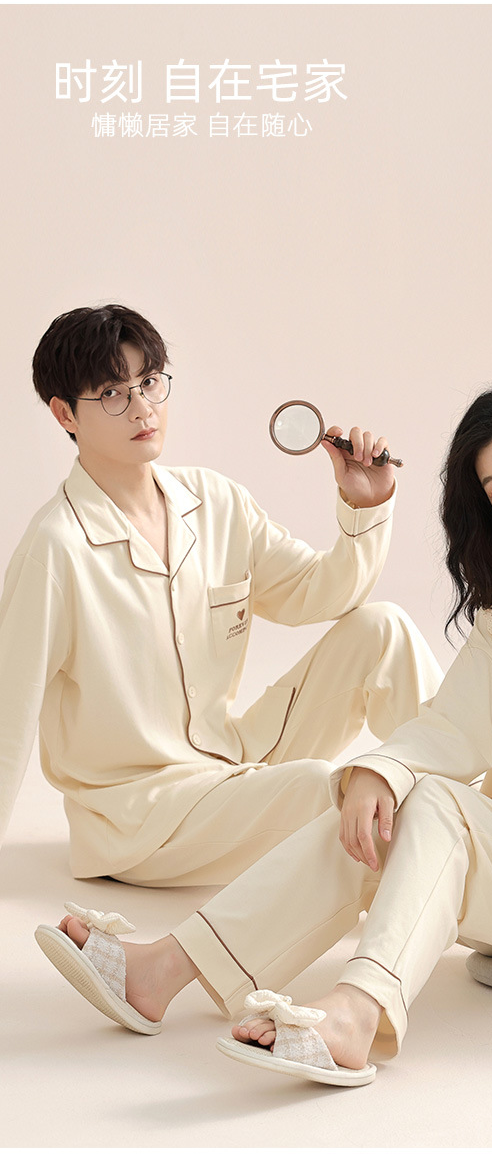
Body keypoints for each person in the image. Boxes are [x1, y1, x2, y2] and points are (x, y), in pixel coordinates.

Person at [36, 377, 492, 1088]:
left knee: (434, 802)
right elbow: (449, 727)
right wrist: (376, 773)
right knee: (382, 806)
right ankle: (160, 972)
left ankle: (357, 1014)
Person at [0, 304, 442, 885]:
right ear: (65, 414)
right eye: (111, 393)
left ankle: (487, 811)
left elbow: (319, 594)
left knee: (384, 629)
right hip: (144, 817)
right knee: (325, 789)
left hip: (233, 758)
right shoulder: (55, 548)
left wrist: (365, 504)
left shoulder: (216, 502)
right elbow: (8, 714)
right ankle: (462, 865)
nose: (142, 408)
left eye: (149, 382)